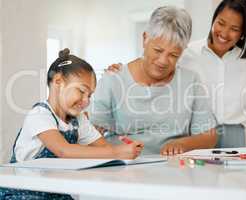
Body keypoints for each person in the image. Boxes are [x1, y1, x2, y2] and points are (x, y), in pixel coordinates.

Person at [107, 0, 246, 148]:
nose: (224, 33)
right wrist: (123, 73)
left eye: (234, 29)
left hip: (232, 136)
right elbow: (157, 64)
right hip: (194, 135)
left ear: (243, 33)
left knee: (233, 185)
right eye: (220, 23)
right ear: (213, 20)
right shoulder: (188, 52)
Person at [0, 48, 143, 200]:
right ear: (58, 82)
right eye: (82, 91)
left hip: (57, 192)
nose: (86, 100)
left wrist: (124, 151)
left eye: (90, 95)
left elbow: (105, 149)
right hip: (21, 191)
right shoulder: (40, 114)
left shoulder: (79, 120)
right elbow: (64, 150)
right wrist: (117, 153)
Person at [90, 6, 217, 156]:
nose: (163, 61)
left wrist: (182, 143)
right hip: (124, 168)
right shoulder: (113, 78)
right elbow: (92, 133)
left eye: (174, 55)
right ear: (145, 38)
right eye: (158, 50)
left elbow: (210, 136)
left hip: (173, 168)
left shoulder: (191, 80)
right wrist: (116, 152)